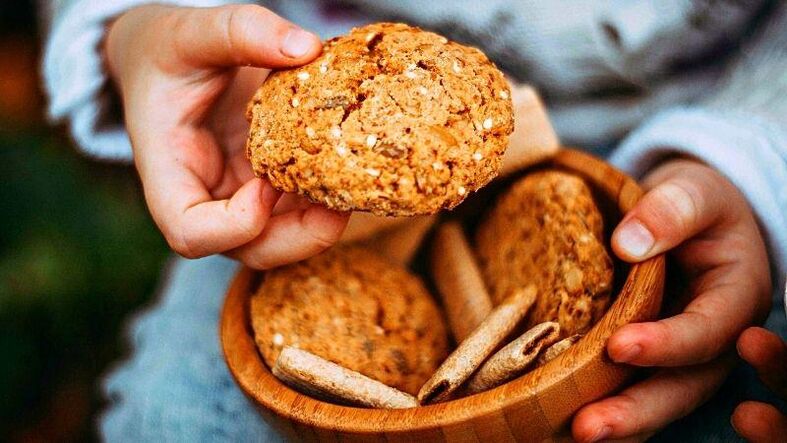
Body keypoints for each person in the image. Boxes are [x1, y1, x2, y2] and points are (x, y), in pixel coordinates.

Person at [42, 0, 786, 441]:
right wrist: (137, 28)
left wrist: (746, 155)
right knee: (176, 417)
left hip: (700, 147)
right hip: (283, 177)